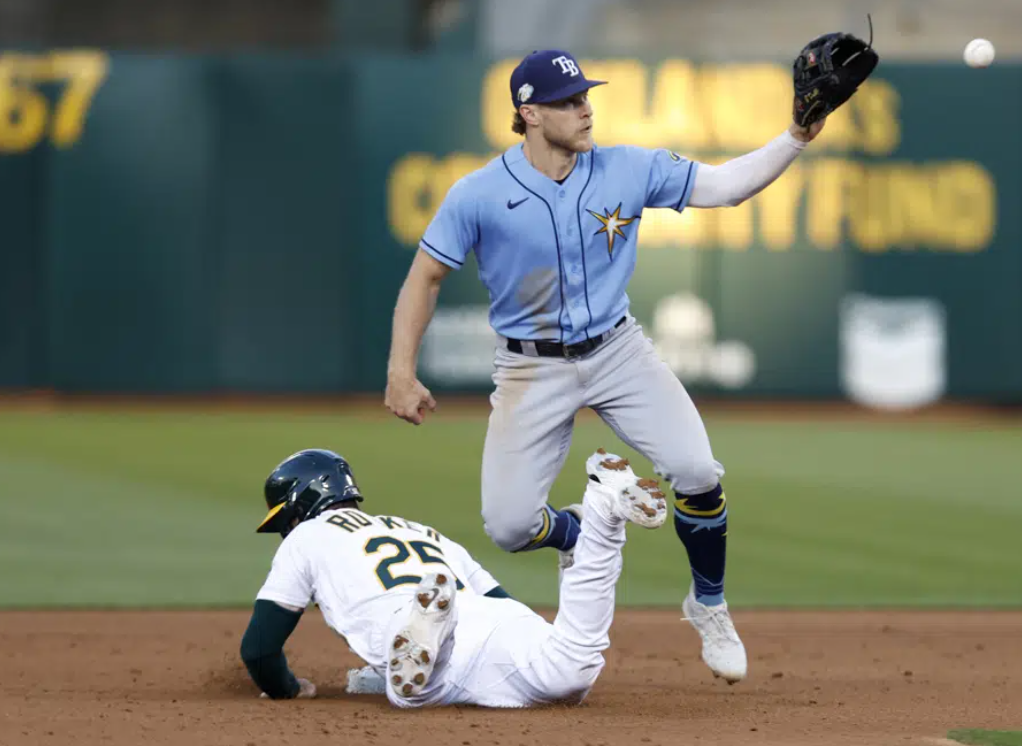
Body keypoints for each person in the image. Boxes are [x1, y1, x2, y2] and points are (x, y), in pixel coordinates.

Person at [383, 48, 830, 684]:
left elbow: (729, 187)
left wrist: (796, 137)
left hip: (618, 351)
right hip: (529, 369)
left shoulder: (627, 168)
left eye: (586, 96)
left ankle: (708, 603)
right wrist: (402, 370)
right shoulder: (478, 193)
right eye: (568, 101)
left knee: (698, 470)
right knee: (508, 527)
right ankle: (581, 533)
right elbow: (424, 277)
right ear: (528, 112)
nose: (585, 108)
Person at [239, 447, 667, 706]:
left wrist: (288, 689)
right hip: (497, 617)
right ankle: (603, 517)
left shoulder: (307, 537)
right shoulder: (418, 529)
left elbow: (259, 650)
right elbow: (504, 604)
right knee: (573, 669)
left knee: (408, 695)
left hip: (408, 622)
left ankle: (424, 646)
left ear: (300, 508)